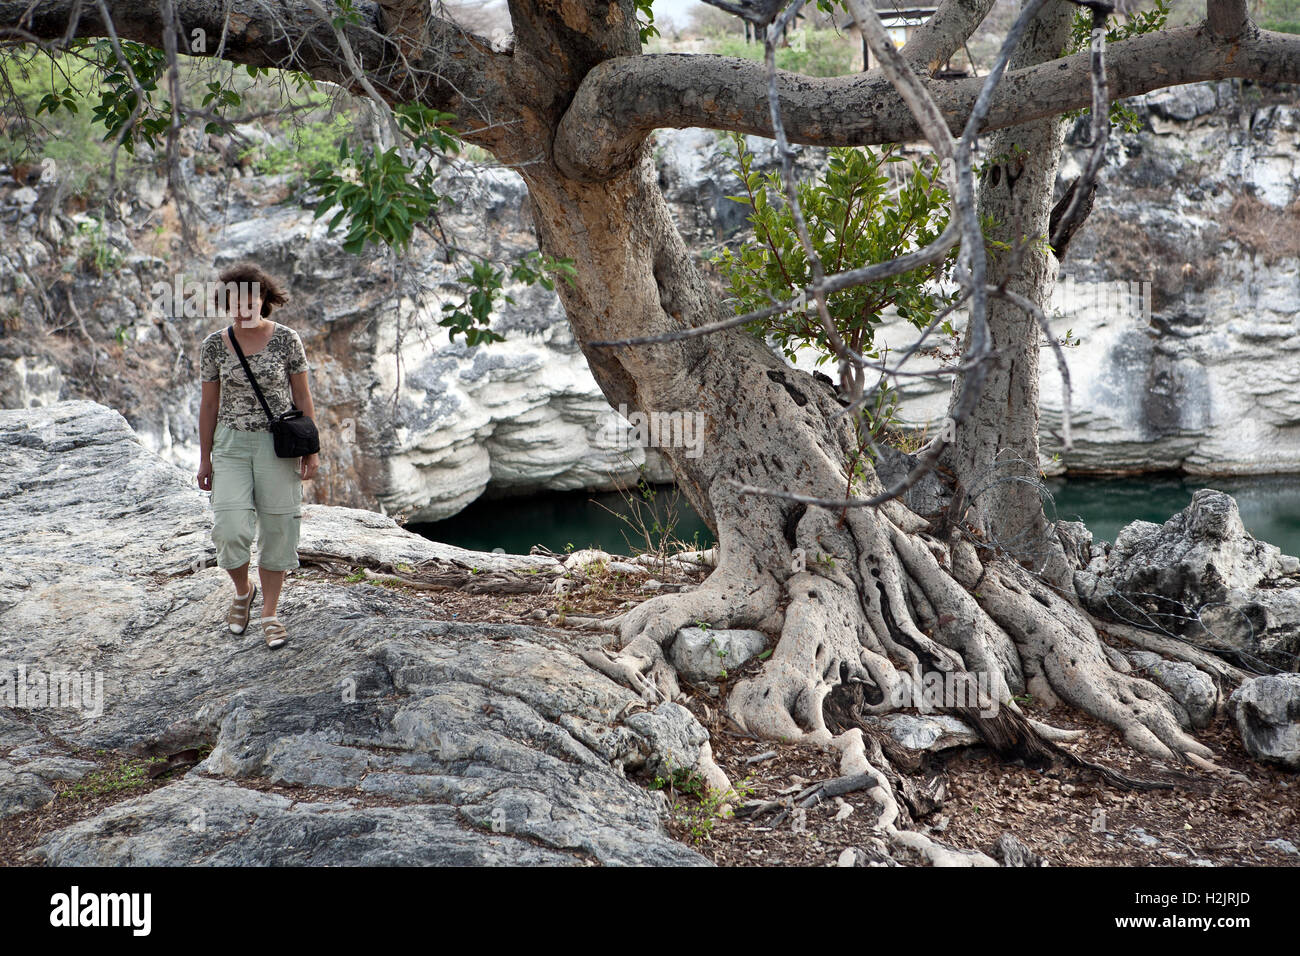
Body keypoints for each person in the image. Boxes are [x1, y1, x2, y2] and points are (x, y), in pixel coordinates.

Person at [196, 262, 319, 648]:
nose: (243, 306)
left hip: (277, 445)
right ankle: (241, 591)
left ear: (263, 299)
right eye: (233, 300)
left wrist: (311, 449)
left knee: (280, 530)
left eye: (250, 297)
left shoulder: (287, 340)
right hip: (230, 445)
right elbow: (208, 406)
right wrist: (205, 458)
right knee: (229, 530)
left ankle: (269, 612)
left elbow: (302, 397)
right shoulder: (214, 345)